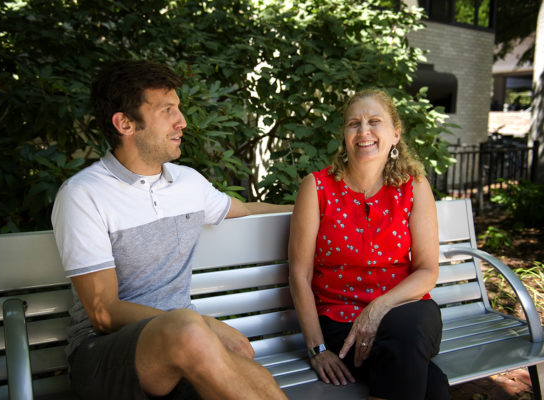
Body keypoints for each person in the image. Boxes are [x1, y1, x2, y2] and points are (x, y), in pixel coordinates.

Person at [51, 60, 291, 400]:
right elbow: (104, 313)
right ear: (125, 123)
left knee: (255, 374)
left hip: (185, 348)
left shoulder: (187, 183)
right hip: (103, 355)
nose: (183, 122)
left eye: (178, 109)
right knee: (190, 331)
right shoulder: (83, 194)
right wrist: (205, 326)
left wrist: (318, 208)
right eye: (168, 111)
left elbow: (247, 209)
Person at [288, 89, 450, 400]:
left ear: (395, 133)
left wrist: (377, 308)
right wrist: (317, 348)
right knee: (434, 388)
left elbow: (428, 270)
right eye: (353, 124)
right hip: (341, 324)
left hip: (410, 312)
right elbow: (299, 275)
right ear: (344, 134)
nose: (364, 132)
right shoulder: (317, 188)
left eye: (374, 121)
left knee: (407, 328)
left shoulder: (413, 186)